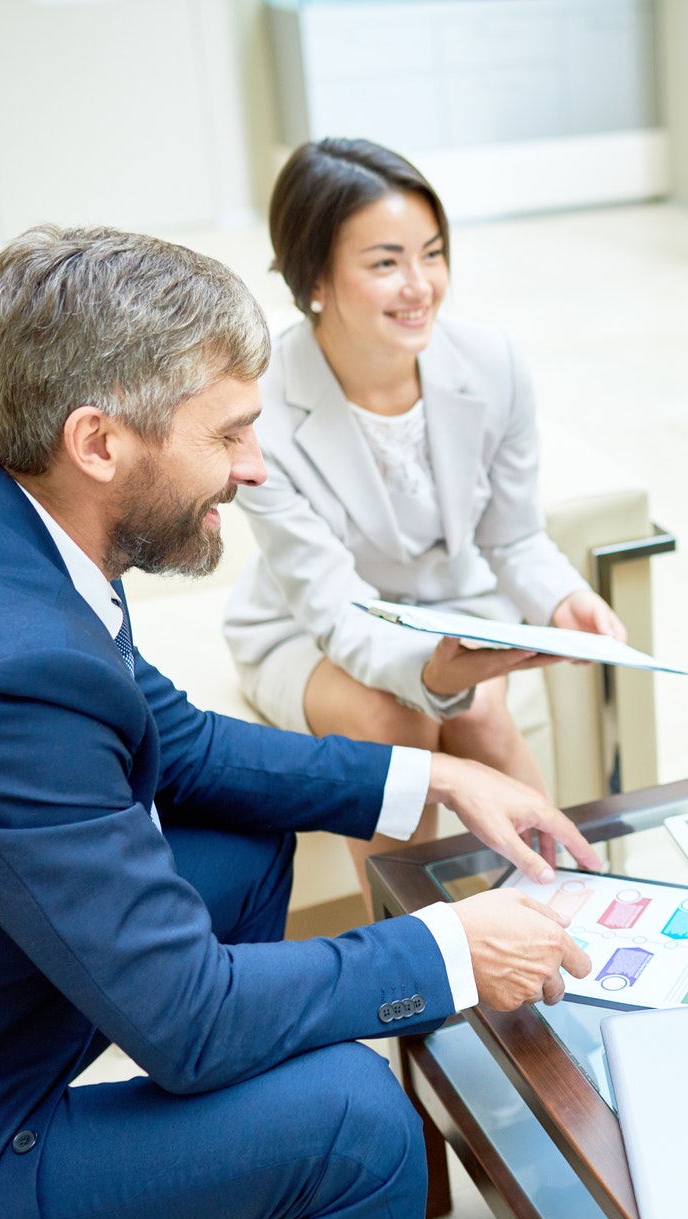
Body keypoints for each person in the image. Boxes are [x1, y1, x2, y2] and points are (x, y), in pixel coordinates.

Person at [0, 225, 601, 1219]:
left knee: (239, 832)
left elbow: (188, 748)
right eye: (230, 434)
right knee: (354, 1119)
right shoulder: (1, 676)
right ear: (100, 442)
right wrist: (458, 948)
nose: (254, 468)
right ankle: (275, 1174)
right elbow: (191, 1019)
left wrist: (434, 776)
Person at [225, 137, 624, 871]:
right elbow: (334, 604)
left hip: (450, 611)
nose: (420, 285)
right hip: (307, 629)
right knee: (390, 720)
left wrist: (564, 599)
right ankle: (420, 956)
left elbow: (512, 536)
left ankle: (580, 916)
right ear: (315, 277)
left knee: (477, 711)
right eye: (385, 262)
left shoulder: (491, 362)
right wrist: (436, 674)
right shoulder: (261, 411)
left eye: (432, 253)